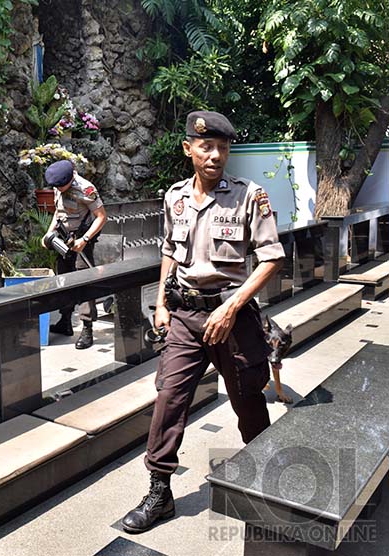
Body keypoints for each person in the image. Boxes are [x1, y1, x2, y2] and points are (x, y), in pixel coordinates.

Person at [121, 111, 285, 533]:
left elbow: (271, 259)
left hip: (233, 316)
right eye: (207, 147)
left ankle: (265, 475)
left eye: (223, 148)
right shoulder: (174, 196)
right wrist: (160, 303)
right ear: (188, 149)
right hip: (184, 316)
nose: (215, 155)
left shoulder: (250, 195)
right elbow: (169, 252)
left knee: (247, 398)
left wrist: (231, 309)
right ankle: (160, 492)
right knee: (169, 399)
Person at [42, 159, 107, 349]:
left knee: (85, 283)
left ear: (70, 179)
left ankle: (87, 329)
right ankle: (65, 321)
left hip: (82, 240)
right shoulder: (58, 185)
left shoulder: (86, 189)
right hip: (63, 238)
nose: (59, 189)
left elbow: (102, 216)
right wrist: (49, 233)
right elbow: (58, 213)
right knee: (65, 281)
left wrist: (84, 239)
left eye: (62, 186)